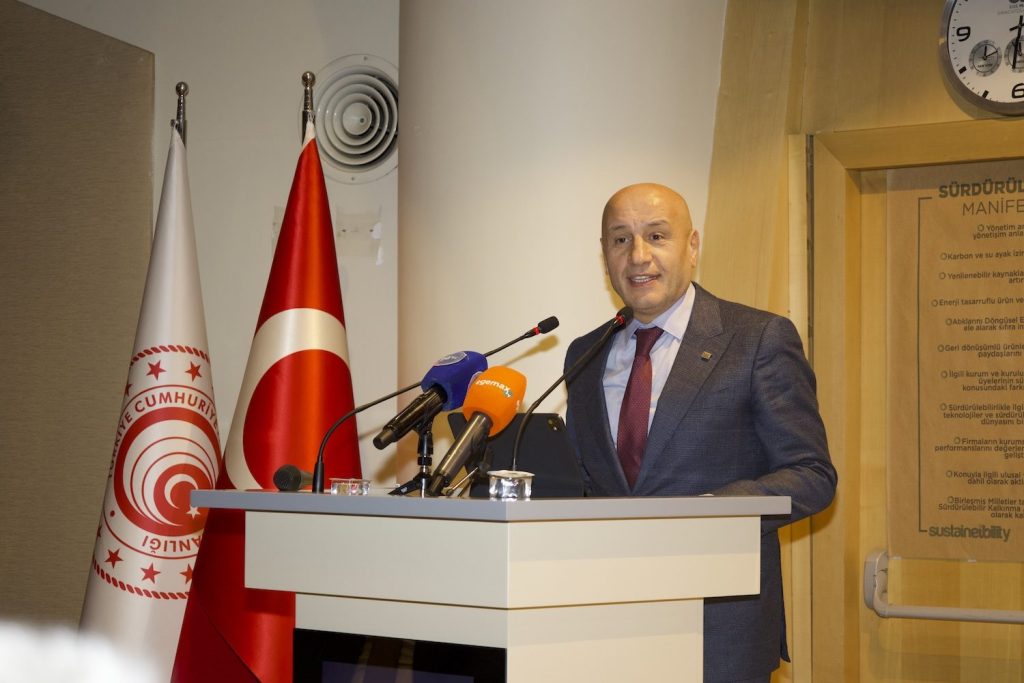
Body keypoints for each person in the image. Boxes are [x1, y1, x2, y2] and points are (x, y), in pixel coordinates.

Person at [563, 183, 837, 683]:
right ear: (605, 256)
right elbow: (584, 482)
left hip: (719, 629)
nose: (638, 255)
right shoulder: (585, 353)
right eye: (621, 239)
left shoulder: (757, 338)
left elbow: (812, 474)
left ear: (692, 246)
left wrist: (712, 510)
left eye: (656, 236)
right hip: (607, 625)